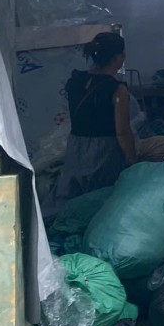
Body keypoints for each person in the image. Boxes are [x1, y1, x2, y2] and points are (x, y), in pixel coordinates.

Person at [49, 31, 136, 217]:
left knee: (72, 197)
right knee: (100, 201)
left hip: (76, 146)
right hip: (104, 151)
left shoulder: (75, 80)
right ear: (119, 57)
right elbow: (122, 132)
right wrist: (131, 158)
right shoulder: (117, 89)